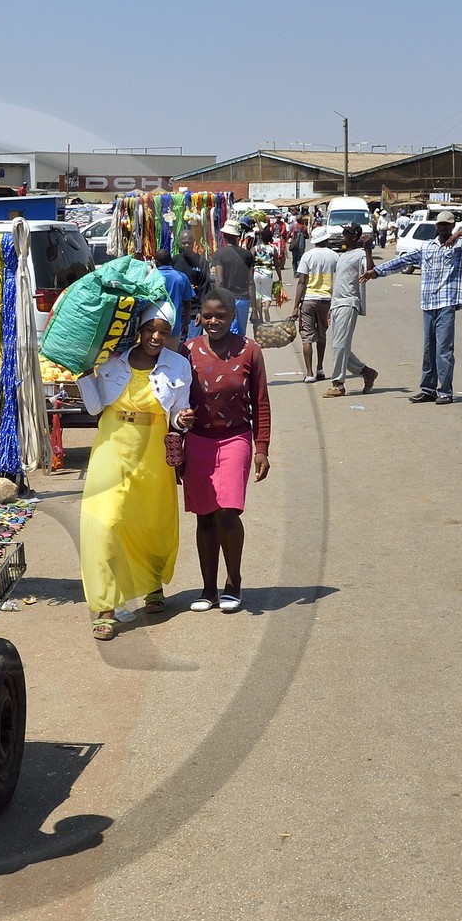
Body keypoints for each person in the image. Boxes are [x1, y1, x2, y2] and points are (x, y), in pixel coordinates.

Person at [76, 301, 193, 641]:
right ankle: (105, 607)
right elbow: (96, 407)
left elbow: (177, 411)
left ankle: (153, 585)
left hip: (152, 449)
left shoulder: (178, 366)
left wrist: (181, 419)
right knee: (105, 522)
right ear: (139, 330)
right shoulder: (113, 362)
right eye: (150, 330)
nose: (156, 337)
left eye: (163, 332)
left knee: (150, 521)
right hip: (112, 443)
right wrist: (84, 375)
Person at [180, 290, 270, 614]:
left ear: (233, 316)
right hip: (198, 441)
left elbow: (260, 402)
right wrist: (177, 428)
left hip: (235, 439)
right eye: (207, 315)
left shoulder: (249, 350)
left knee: (227, 512)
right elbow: (176, 399)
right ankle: (208, 588)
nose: (213, 321)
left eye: (221, 315)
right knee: (204, 517)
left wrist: (262, 448)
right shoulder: (187, 351)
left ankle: (233, 582)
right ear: (199, 316)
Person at [361, 209, 462, 406]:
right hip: (428, 303)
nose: (443, 227)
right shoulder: (426, 247)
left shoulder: (460, 249)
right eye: (440, 224)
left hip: (447, 303)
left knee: (444, 349)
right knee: (429, 349)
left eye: (447, 225)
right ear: (436, 226)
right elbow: (402, 261)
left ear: (452, 226)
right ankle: (428, 390)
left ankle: (445, 391)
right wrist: (375, 271)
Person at [323, 222, 379, 398]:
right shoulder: (342, 255)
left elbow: (370, 271)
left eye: (346, 233)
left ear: (354, 237)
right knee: (339, 346)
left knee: (340, 345)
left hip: (349, 302)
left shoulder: (360, 254)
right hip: (337, 304)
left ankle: (338, 384)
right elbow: (338, 284)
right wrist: (330, 307)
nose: (342, 236)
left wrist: (368, 250)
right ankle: (366, 372)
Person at [291, 225, 338, 382]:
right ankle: (320, 368)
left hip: (309, 300)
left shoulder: (307, 256)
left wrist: (295, 306)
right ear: (326, 239)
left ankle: (309, 373)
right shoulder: (334, 256)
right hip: (326, 301)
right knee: (322, 335)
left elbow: (302, 282)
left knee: (307, 338)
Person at [212, 220, 253, 336]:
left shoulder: (219, 254)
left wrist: (215, 299)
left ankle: (232, 354)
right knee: (241, 333)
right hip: (244, 299)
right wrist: (255, 309)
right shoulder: (247, 255)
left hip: (227, 299)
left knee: (230, 332)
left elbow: (219, 280)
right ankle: (240, 353)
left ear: (224, 236)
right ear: (237, 237)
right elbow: (251, 282)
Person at [153, 249, 196, 333]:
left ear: (156, 262)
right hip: (174, 326)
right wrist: (186, 323)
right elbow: (187, 304)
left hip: (153, 324)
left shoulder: (151, 276)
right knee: (174, 346)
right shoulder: (182, 277)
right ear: (171, 261)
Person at [251, 226, 279, 330]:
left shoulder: (255, 248)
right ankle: (266, 308)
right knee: (267, 295)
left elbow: (250, 261)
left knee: (258, 295)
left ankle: (261, 317)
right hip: (267, 274)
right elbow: (277, 264)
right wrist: (280, 278)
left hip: (256, 273)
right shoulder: (273, 249)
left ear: (261, 238)